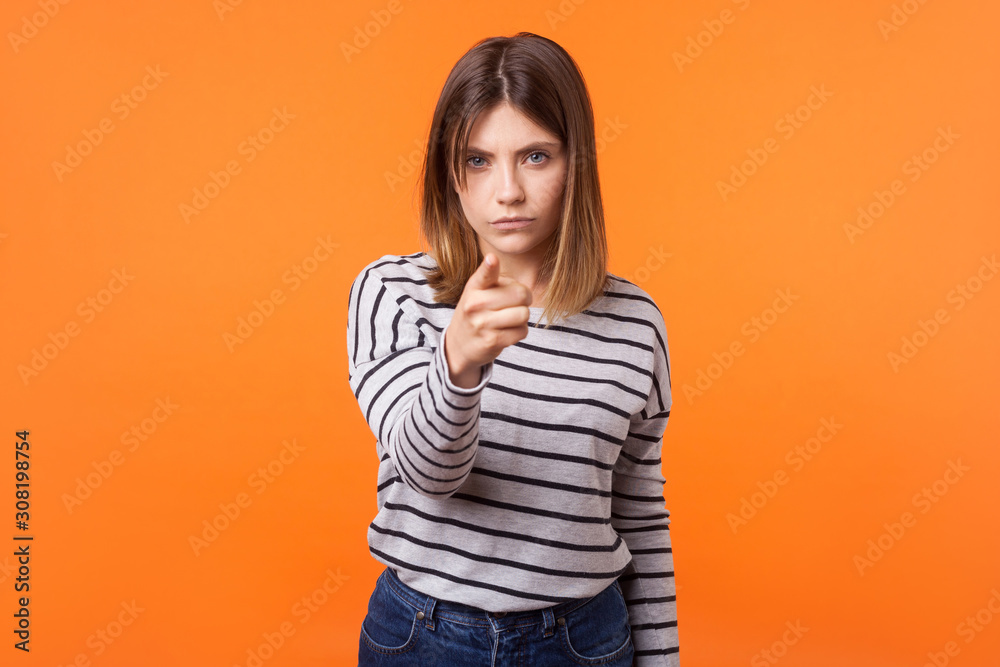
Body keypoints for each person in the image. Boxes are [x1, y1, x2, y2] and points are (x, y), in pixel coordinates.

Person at [347, 31, 678, 666]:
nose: (508, 191)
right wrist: (458, 366)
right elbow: (430, 475)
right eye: (478, 160)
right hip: (424, 637)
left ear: (575, 164)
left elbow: (640, 515)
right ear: (450, 172)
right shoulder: (392, 294)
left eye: (535, 156)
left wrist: (662, 660)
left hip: (582, 641)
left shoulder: (635, 322)